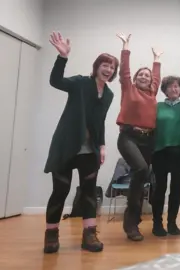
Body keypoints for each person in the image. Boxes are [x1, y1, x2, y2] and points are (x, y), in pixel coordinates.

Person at [43, 32, 118, 253]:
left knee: (88, 192)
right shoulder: (79, 83)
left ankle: (89, 235)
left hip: (89, 151)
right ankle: (51, 235)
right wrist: (62, 57)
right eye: (105, 64)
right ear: (97, 67)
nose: (108, 69)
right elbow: (55, 81)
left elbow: (100, 122)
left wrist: (102, 146)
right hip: (66, 146)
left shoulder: (109, 94)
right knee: (60, 190)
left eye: (112, 67)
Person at [115, 33, 162, 241]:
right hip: (128, 137)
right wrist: (126, 46)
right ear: (134, 79)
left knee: (140, 178)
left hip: (148, 139)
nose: (144, 77)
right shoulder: (128, 89)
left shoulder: (152, 94)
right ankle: (131, 222)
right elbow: (124, 71)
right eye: (140, 75)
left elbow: (157, 77)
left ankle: (132, 219)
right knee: (141, 169)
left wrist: (157, 60)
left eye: (147, 75)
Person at [150, 61, 180, 237]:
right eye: (171, 87)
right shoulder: (157, 107)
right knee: (160, 188)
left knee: (176, 188)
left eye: (177, 87)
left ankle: (172, 223)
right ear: (165, 90)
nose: (174, 89)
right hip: (160, 151)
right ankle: (157, 224)